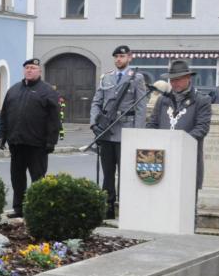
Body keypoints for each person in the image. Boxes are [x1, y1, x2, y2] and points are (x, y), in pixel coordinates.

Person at [89, 45, 148, 219]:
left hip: (126, 131)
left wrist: (137, 132)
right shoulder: (106, 78)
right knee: (107, 172)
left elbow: (141, 107)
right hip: (107, 132)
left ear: (130, 57)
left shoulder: (137, 78)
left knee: (126, 172)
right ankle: (107, 208)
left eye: (122, 56)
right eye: (116, 57)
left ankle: (126, 207)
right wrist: (94, 123)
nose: (118, 60)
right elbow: (96, 102)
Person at [0, 58, 60, 218]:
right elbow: (4, 115)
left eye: (33, 68)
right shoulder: (13, 90)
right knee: (17, 178)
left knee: (37, 179)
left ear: (39, 71)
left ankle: (37, 210)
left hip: (37, 145)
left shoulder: (47, 91)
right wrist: (2, 137)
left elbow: (54, 119)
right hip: (17, 143)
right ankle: (18, 208)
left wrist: (51, 141)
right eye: (27, 68)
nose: (29, 70)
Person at [146, 59, 212, 190]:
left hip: (187, 159)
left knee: (186, 202)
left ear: (188, 78)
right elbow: (152, 124)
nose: (174, 83)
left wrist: (179, 142)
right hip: (162, 160)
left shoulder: (202, 100)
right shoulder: (163, 100)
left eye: (178, 79)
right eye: (172, 80)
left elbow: (202, 128)